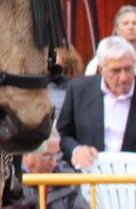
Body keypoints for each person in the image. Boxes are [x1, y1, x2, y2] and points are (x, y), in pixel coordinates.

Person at [58, 35, 136, 170]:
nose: (124, 77)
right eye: (116, 71)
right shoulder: (79, 90)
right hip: (90, 178)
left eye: (128, 69)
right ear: (101, 69)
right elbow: (63, 134)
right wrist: (76, 150)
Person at [3, 133, 89, 209]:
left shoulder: (67, 178)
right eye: (47, 156)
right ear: (25, 153)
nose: (54, 163)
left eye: (56, 155)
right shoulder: (9, 183)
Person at [85, 5, 136, 75]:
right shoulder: (105, 53)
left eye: (134, 23)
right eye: (125, 23)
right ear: (117, 29)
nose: (131, 27)